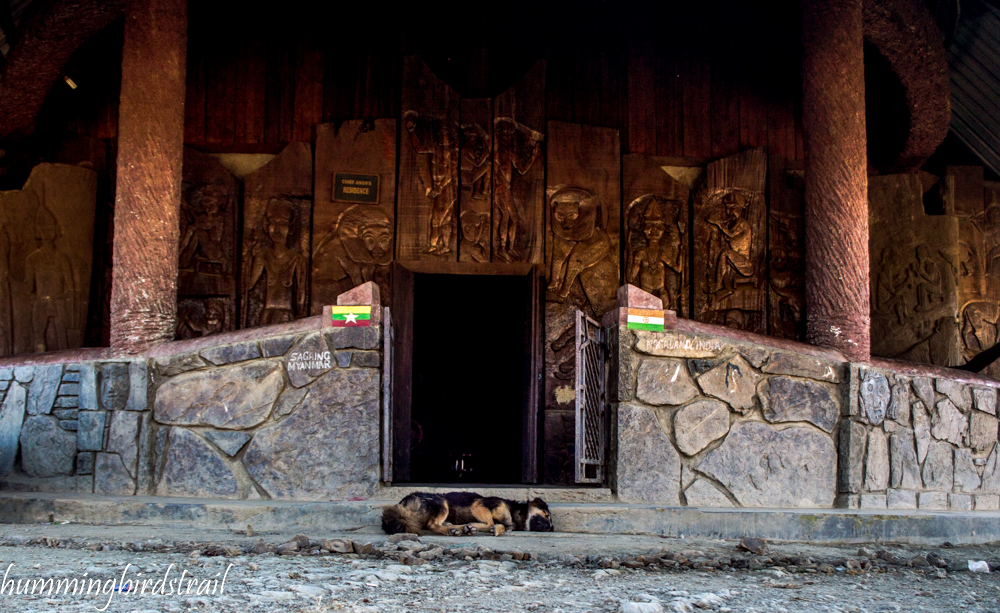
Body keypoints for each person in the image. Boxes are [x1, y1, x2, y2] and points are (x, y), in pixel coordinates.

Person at [245, 199, 307, 325]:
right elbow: (249, 285)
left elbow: (301, 292)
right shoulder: (263, 256)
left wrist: (301, 317)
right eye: (273, 222)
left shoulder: (296, 259)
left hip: (287, 313)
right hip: (267, 312)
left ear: (291, 228)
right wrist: (247, 257)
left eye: (283, 223)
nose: (277, 229)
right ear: (266, 225)